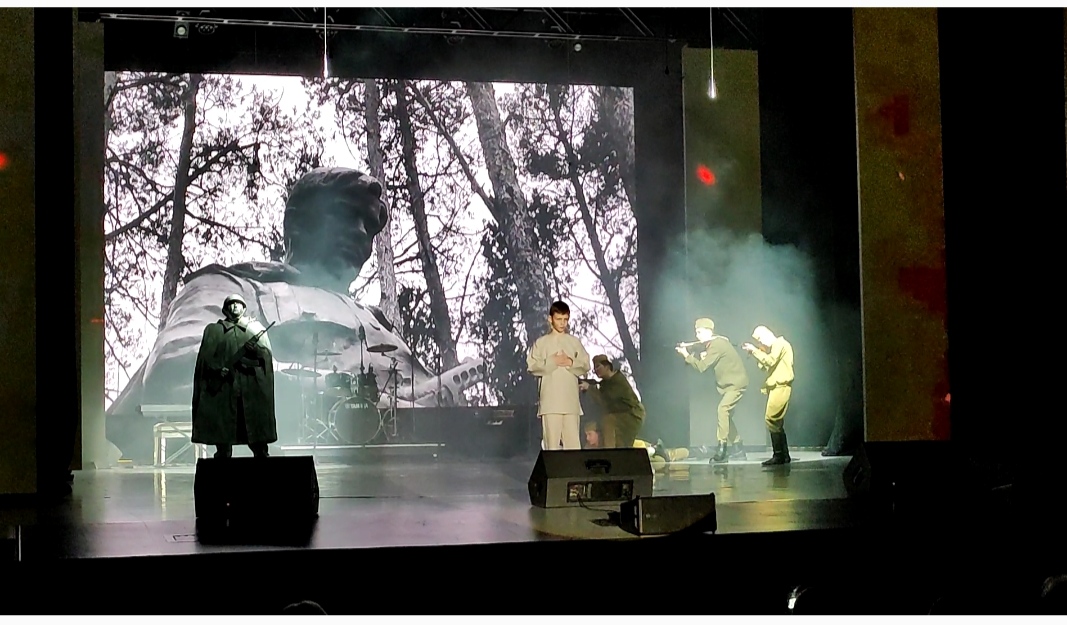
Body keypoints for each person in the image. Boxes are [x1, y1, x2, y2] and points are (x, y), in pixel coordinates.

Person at [106, 167, 484, 462]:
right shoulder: (234, 287)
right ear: (299, 224)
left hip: (409, 487)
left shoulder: (377, 323)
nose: (361, 233)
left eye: (369, 227)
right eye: (346, 215)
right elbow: (182, 367)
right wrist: (336, 399)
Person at [191, 294, 277, 458]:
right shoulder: (215, 330)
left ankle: (261, 452)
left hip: (251, 384)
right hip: (225, 386)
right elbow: (205, 358)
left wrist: (256, 350)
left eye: (238, 303)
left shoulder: (256, 328)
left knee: (253, 422)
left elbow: (266, 356)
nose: (235, 306)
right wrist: (218, 369)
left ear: (244, 308)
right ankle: (223, 452)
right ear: (225, 309)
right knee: (224, 423)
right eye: (231, 304)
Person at [675, 317, 749, 463]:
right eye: (696, 332)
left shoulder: (717, 345)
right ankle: (738, 448)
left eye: (699, 332)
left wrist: (686, 355)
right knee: (725, 416)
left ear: (709, 331)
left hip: (735, 384)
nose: (697, 335)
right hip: (730, 385)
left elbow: (702, 367)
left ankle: (722, 450)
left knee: (722, 410)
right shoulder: (716, 343)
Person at [527, 301, 591, 450]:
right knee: (551, 447)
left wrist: (570, 362)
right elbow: (532, 366)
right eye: (559, 319)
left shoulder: (574, 342)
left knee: (573, 446)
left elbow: (586, 364)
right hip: (550, 403)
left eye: (565, 319)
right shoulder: (541, 343)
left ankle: (573, 467)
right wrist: (552, 361)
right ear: (550, 319)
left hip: (570, 402)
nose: (562, 323)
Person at [742, 325, 795, 466]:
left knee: (771, 419)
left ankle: (778, 455)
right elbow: (765, 366)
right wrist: (759, 353)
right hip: (776, 386)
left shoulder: (780, 344)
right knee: (776, 422)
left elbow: (770, 361)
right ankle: (783, 455)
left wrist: (754, 351)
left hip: (780, 385)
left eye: (760, 339)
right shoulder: (778, 346)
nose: (760, 342)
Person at [579, 355, 645, 448]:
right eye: (595, 368)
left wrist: (589, 388)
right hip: (622, 415)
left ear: (607, 366)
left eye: (598, 366)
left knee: (608, 420)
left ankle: (609, 451)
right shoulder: (606, 383)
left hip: (633, 414)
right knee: (618, 440)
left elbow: (605, 400)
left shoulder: (618, 381)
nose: (596, 370)